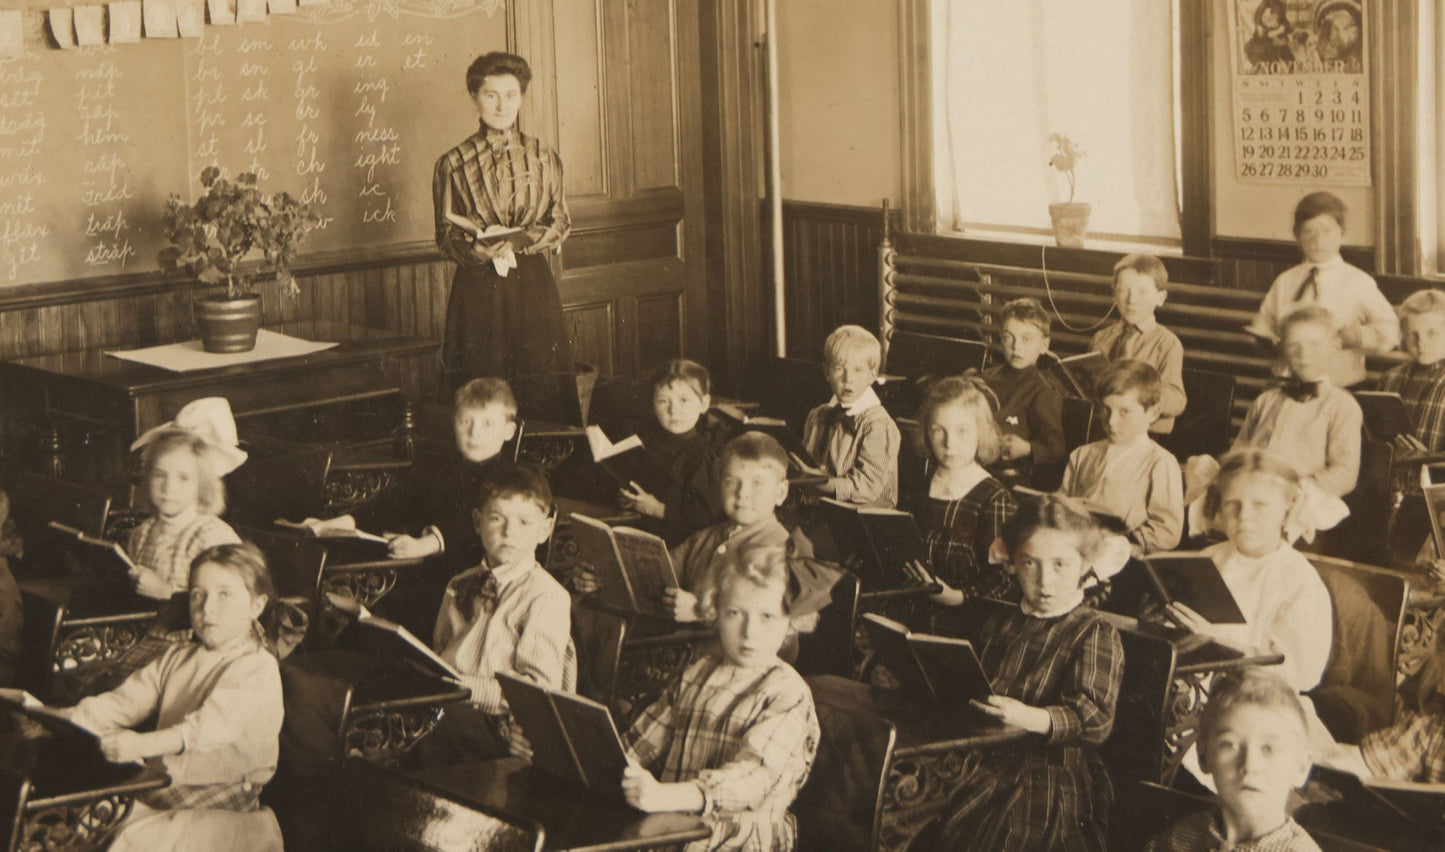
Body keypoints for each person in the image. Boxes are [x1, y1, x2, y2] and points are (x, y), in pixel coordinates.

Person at [57, 543, 286, 851]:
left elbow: (209, 728)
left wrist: (141, 744)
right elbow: (124, 702)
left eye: (224, 594)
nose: (207, 608)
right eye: (197, 594)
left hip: (223, 797)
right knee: (84, 822)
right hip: (169, 781)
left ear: (256, 606)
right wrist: (70, 716)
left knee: (130, 838)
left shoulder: (257, 666)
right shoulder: (178, 656)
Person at [932, 494, 1124, 851]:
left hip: (1044, 773)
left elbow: (1095, 719)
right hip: (982, 754)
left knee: (987, 834)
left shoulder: (1092, 631)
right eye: (1029, 565)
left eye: (1060, 565)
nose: (1044, 581)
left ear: (1084, 565)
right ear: (1013, 564)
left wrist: (1028, 717)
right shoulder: (1002, 617)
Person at [622, 543, 830, 851]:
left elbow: (753, 779)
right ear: (714, 612)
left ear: (791, 623)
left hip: (740, 840)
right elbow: (641, 742)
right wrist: (619, 764)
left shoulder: (788, 693)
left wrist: (667, 796)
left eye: (767, 617)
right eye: (734, 613)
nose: (749, 632)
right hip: (678, 829)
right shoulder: (698, 672)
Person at [434, 51, 573, 392]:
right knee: (482, 378)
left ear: (521, 97)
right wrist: (478, 252)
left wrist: (523, 239)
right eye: (491, 95)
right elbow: (445, 234)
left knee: (540, 377)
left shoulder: (544, 156)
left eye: (511, 95)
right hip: (479, 287)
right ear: (474, 97)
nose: (501, 105)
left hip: (532, 284)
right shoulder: (452, 163)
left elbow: (560, 220)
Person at [427, 463, 575, 760]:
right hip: (447, 706)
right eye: (497, 518)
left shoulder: (546, 596)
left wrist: (466, 689)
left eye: (524, 522)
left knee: (426, 732)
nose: (508, 532)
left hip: (499, 729)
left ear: (545, 530)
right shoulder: (460, 583)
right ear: (478, 522)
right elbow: (440, 651)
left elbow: (537, 695)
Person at [1168, 450, 1333, 698]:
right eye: (1232, 504)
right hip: (1190, 690)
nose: (1244, 516)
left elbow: (1294, 674)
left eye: (1260, 506)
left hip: (1258, 701)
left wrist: (1216, 641)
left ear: (1287, 512)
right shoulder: (1208, 559)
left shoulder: (1300, 582)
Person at [338, 377, 519, 566]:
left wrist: (425, 544)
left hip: (466, 570)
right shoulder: (440, 462)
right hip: (416, 557)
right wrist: (347, 522)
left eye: (487, 424)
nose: (474, 433)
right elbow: (395, 501)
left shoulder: (506, 478)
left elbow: (469, 527)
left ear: (508, 431)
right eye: (465, 421)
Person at [1147, 668, 1320, 852]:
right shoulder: (1179, 838)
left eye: (1268, 749)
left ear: (1301, 767)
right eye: (1229, 745)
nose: (1249, 765)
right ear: (1203, 756)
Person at [1230, 304, 1362, 533]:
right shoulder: (1266, 400)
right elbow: (1239, 450)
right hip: (1253, 500)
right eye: (1294, 345)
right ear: (1283, 350)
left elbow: (1345, 472)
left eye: (1314, 344)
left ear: (1335, 347)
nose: (1304, 354)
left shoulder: (1342, 406)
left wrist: (1294, 493)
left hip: (1302, 508)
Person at [1246, 191, 1398, 389]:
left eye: (1326, 231)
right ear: (1296, 234)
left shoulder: (1358, 282)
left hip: (1340, 387)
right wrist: (1271, 340)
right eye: (1308, 231)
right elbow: (1264, 325)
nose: (1317, 241)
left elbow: (1391, 332)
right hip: (1288, 385)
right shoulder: (1285, 281)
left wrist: (1359, 336)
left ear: (1342, 232)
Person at [901, 374, 1017, 607]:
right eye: (938, 431)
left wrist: (954, 597)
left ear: (981, 433)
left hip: (966, 616)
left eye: (962, 431)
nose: (949, 443)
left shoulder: (993, 498)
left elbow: (1001, 580)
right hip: (910, 607)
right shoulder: (918, 488)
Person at [664, 432, 801, 624]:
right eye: (731, 482)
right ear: (720, 486)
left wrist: (699, 613)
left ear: (780, 492)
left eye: (757, 483)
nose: (742, 493)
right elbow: (662, 571)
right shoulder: (703, 538)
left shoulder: (784, 551)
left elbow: (782, 631)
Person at [126, 398, 246, 599]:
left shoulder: (212, 538)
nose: (168, 487)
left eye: (184, 478)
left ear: (203, 485)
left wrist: (166, 593)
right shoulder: (142, 533)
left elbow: (231, 605)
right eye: (160, 475)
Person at [1060, 360, 1184, 554]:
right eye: (1106, 410)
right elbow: (1062, 503)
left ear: (1152, 413)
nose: (1111, 421)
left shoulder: (1160, 463)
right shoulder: (1082, 454)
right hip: (1074, 550)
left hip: (1123, 558)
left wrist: (1129, 543)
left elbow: (1167, 530)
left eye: (1124, 411)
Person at [618, 359, 729, 546]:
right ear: (653, 405)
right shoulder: (650, 446)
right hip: (645, 534)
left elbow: (708, 519)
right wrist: (631, 500)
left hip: (684, 545)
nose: (673, 410)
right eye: (663, 401)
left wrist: (661, 510)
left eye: (684, 400)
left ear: (704, 404)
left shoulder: (703, 456)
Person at [800, 325, 901, 508]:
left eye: (858, 370)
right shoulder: (818, 416)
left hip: (865, 518)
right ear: (827, 373)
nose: (848, 379)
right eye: (839, 369)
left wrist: (826, 484)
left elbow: (868, 487)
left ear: (872, 375)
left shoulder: (878, 424)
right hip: (821, 510)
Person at [1378, 291, 1445, 562]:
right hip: (1391, 493)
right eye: (1412, 334)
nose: (1421, 343)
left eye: (1432, 334)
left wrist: (1428, 458)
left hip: (1435, 502)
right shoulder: (1391, 378)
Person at [1090, 254, 1186, 434]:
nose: (1131, 299)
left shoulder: (1166, 343)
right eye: (1123, 290)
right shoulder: (1100, 338)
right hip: (1101, 430)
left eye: (1142, 291)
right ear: (1113, 294)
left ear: (1160, 297)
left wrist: (1135, 390)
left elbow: (1177, 401)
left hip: (1144, 435)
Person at [982, 297, 1065, 486]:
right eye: (1008, 337)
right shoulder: (986, 378)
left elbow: (1055, 447)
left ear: (1044, 345)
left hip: (1009, 476)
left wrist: (1027, 448)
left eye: (1026, 339)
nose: (1016, 346)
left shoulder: (1041, 390)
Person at [1244, 0, 1295, 68]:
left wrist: (1286, 26)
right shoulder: (1268, 2)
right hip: (1265, 35)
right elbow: (1258, 14)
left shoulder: (1283, 5)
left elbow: (1283, 19)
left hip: (1277, 34)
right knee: (1267, 54)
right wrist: (1259, 26)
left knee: (1287, 57)